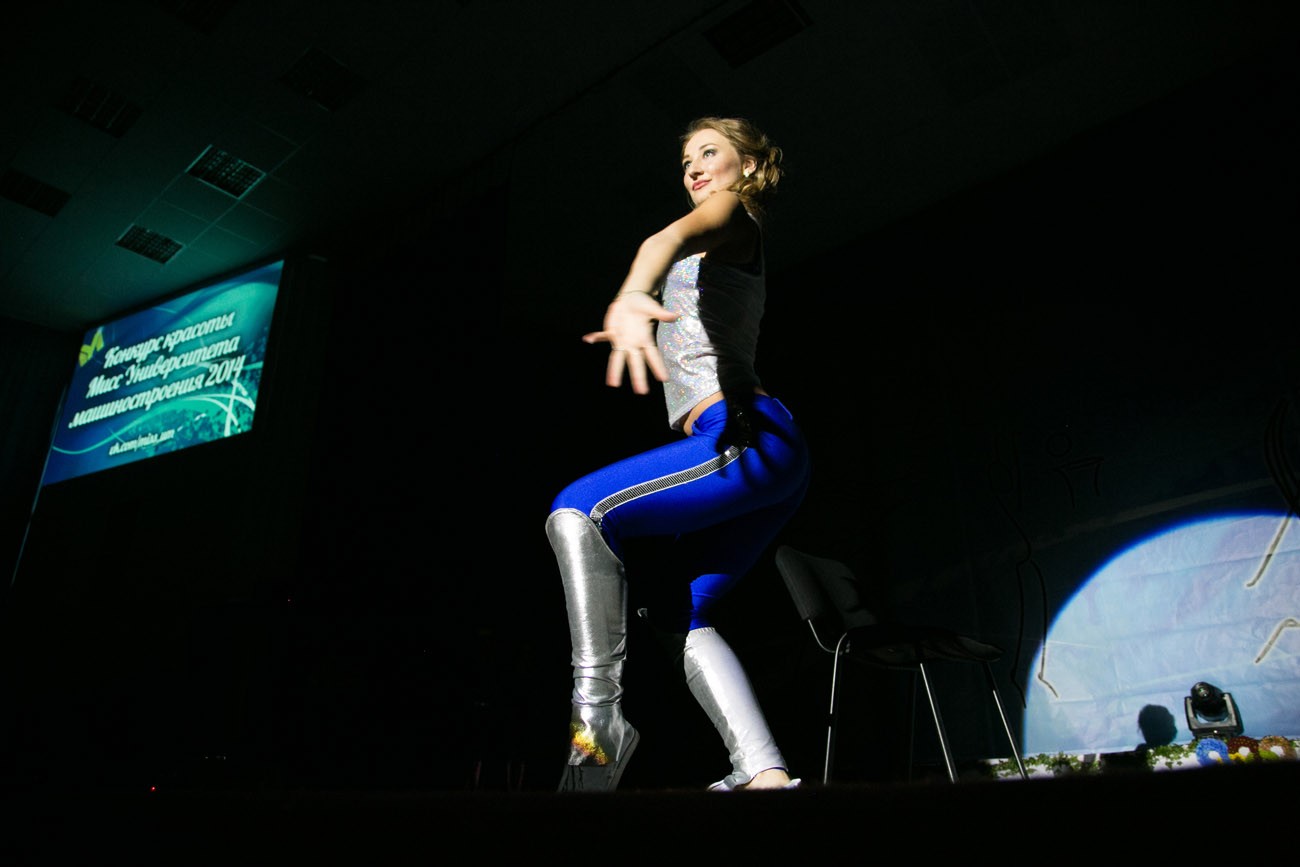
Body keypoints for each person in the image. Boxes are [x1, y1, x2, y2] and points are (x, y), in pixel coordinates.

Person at [546, 116, 812, 793]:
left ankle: (597, 724)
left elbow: (661, 239)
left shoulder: (734, 215)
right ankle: (763, 770)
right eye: (686, 159)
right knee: (677, 612)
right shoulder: (720, 242)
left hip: (744, 434)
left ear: (747, 167)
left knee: (578, 510)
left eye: (709, 152)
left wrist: (636, 291)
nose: (693, 167)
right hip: (761, 449)